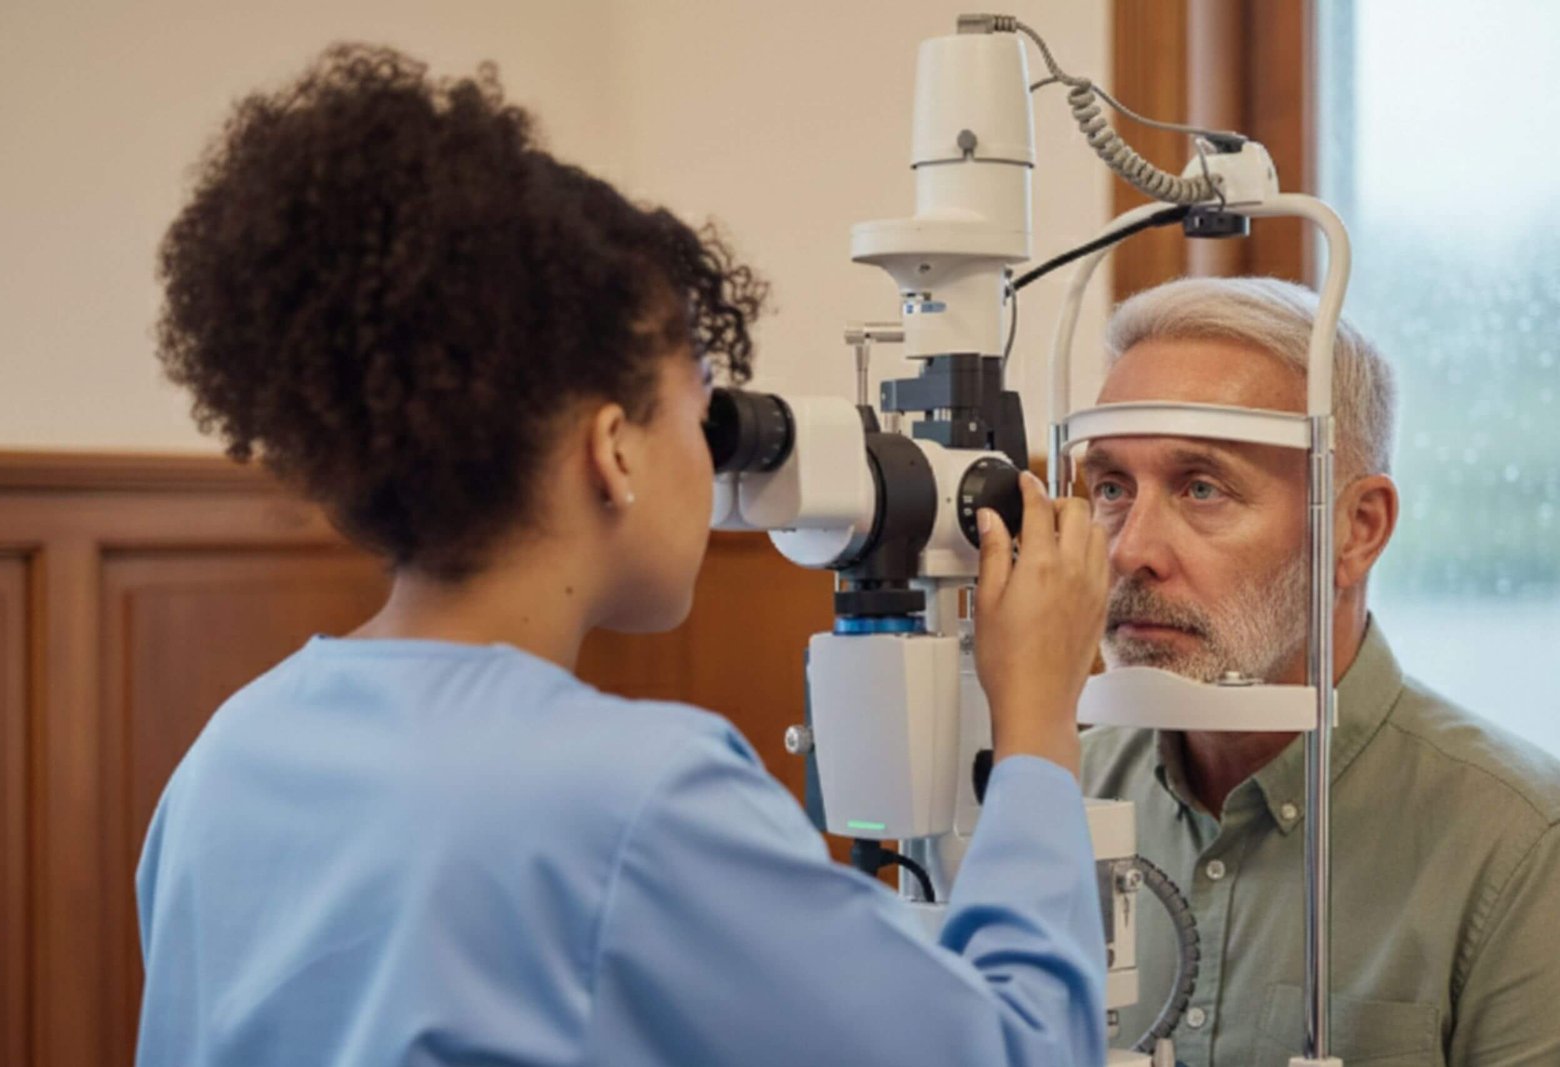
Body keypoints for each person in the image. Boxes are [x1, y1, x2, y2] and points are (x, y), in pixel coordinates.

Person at [135, 44, 1112, 1067]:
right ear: (612, 449)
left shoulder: (228, 756)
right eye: (701, 404)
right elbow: (1018, 1050)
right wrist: (1037, 722)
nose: (711, 453)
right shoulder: (635, 801)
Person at [1079, 275, 1560, 1066]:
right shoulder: (1058, 799)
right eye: (1111, 487)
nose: (1130, 549)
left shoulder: (1514, 852)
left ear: (1355, 529)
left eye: (1202, 488)